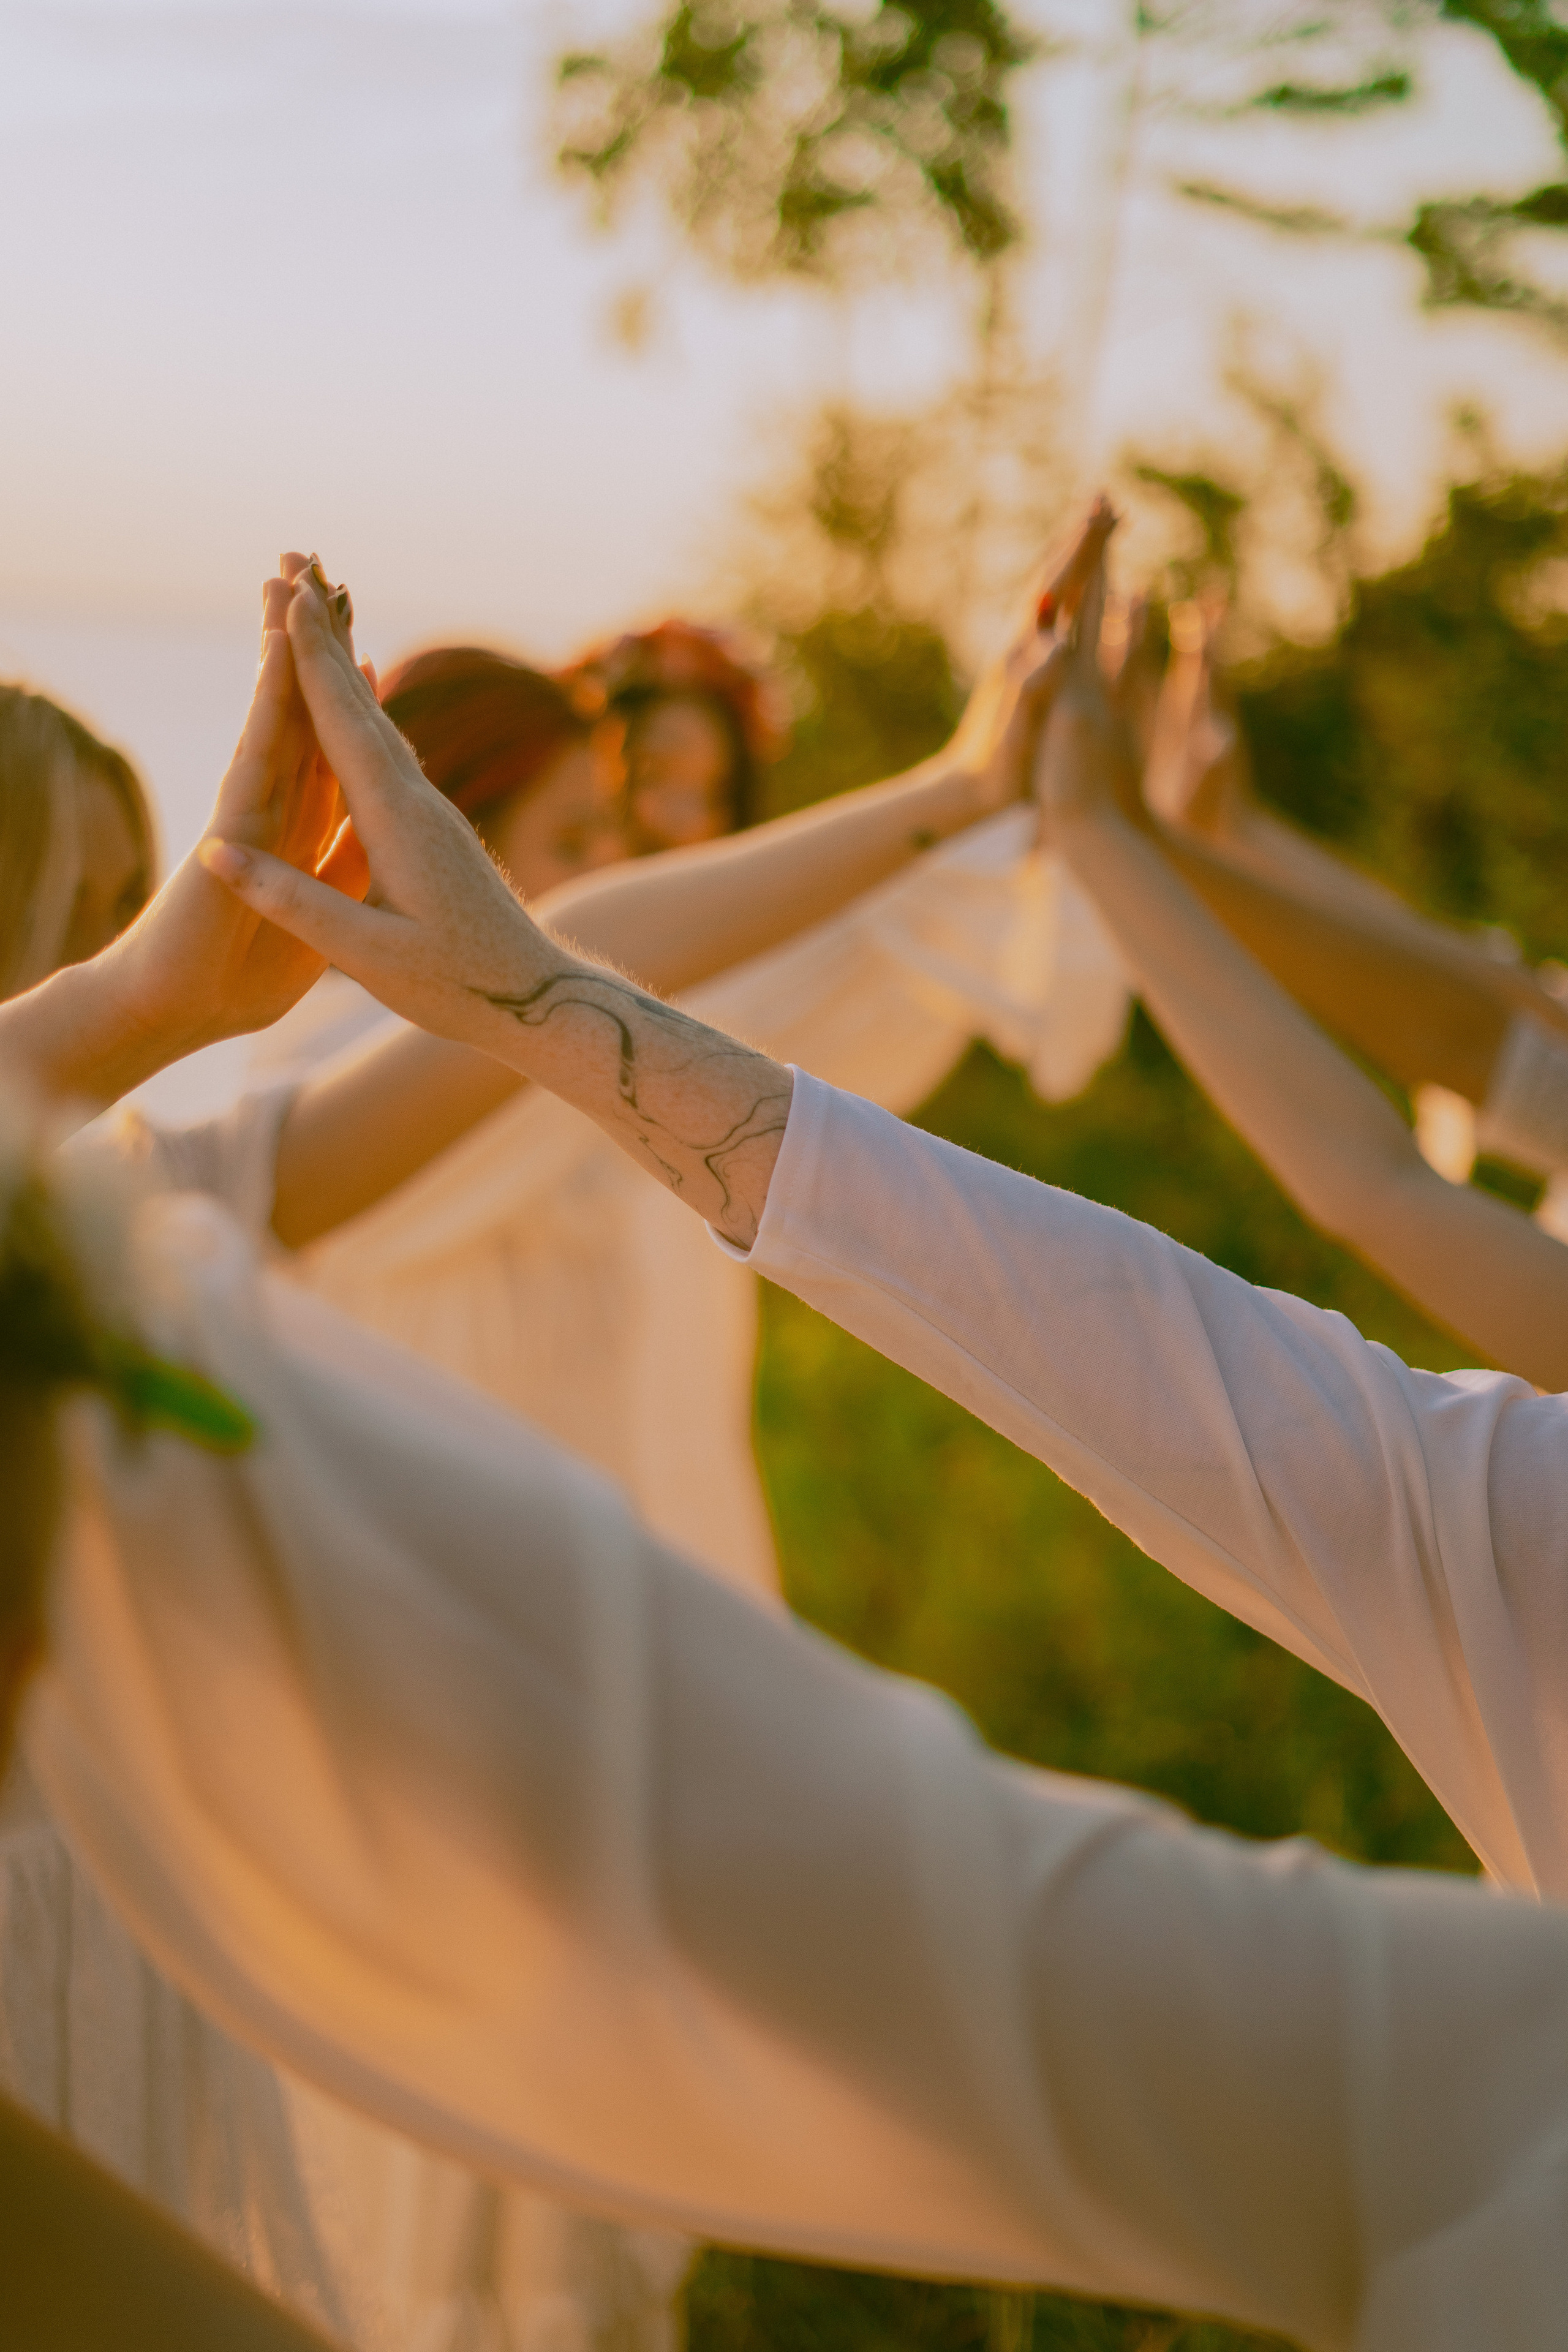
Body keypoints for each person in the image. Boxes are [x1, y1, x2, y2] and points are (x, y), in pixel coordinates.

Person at [11, 568, 1568, 2350]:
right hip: (442, 1774)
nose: (635, 842)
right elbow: (1289, 1249)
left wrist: (1061, 828)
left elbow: (1235, 1298)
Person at [0, 517, 1122, 2349]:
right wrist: (152, 995)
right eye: (77, 908)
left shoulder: (153, 1191)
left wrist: (962, 797)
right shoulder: (220, 1147)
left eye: (137, 896)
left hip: (170, 1942)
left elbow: (588, 966)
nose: (120, 940)